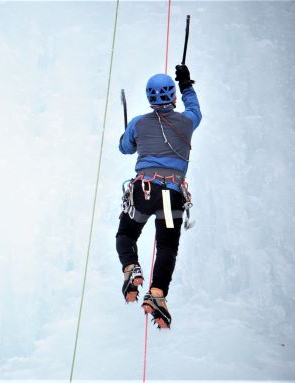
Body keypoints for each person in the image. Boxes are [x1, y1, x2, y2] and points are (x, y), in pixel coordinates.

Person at [116, 64, 201, 329]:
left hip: (145, 190)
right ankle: (158, 294)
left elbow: (125, 148)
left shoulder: (139, 123)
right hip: (171, 194)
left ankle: (132, 268)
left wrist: (130, 133)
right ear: (172, 96)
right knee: (166, 246)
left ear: (149, 98)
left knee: (127, 235)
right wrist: (186, 84)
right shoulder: (187, 122)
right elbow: (195, 110)